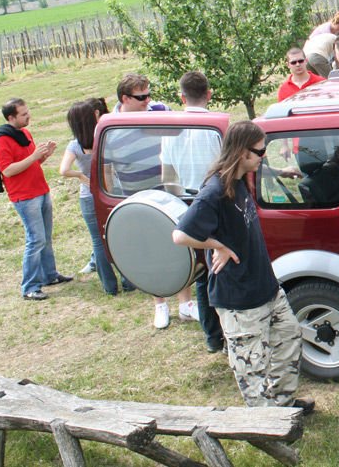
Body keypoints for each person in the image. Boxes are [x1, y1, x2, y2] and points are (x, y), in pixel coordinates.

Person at [172, 121, 313, 412]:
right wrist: (218, 246)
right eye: (260, 152)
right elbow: (180, 235)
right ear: (241, 152)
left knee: (290, 338)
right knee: (252, 366)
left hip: (266, 286)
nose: (263, 157)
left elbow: (259, 168)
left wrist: (278, 172)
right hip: (238, 298)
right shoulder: (214, 192)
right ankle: (266, 425)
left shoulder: (239, 176)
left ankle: (283, 405)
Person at [109, 73, 198, 328]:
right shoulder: (111, 127)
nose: (148, 100)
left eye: (148, 94)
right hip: (137, 200)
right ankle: (159, 304)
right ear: (125, 98)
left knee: (180, 246)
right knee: (148, 250)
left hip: (168, 193)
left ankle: (186, 303)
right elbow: (107, 170)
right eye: (141, 97)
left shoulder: (160, 111)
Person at [160, 71, 225, 353]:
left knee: (202, 272)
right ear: (209, 94)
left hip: (188, 200)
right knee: (223, 266)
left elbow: (167, 176)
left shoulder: (170, 130)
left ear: (182, 97)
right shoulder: (217, 126)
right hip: (219, 199)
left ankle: (212, 336)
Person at [0, 99, 72, 301]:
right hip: (25, 197)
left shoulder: (24, 133)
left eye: (28, 112)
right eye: (24, 114)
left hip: (40, 190)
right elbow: (7, 170)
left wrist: (44, 155)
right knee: (35, 240)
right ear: (11, 118)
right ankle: (29, 287)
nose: (29, 116)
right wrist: (35, 156)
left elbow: (30, 163)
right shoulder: (1, 140)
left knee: (46, 237)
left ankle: (49, 276)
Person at [59, 99, 121, 296]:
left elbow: (63, 170)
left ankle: (110, 286)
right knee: (118, 236)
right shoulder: (103, 138)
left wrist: (80, 176)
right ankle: (129, 281)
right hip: (110, 192)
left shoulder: (75, 145)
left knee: (98, 241)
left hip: (88, 196)